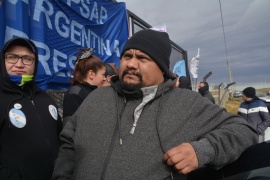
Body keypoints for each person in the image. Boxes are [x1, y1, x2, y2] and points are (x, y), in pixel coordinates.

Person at [52, 29, 257, 180]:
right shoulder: (96, 98)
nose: (132, 64)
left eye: (142, 58)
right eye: (127, 56)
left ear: (162, 69)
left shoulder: (187, 104)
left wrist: (201, 150)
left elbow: (244, 130)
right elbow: (69, 145)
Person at [0, 37, 62, 179]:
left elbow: (60, 139)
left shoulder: (46, 99)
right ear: (3, 61)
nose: (19, 64)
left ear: (35, 63)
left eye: (27, 58)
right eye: (12, 57)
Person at [62, 48, 106, 121]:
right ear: (91, 74)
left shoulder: (92, 93)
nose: (104, 78)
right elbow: (69, 127)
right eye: (103, 74)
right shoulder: (74, 94)